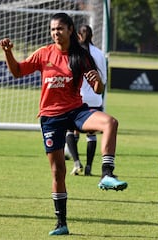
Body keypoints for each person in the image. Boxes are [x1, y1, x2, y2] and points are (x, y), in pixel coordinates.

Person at [0, 12, 127, 236]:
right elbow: (18, 71)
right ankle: (61, 223)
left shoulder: (80, 55)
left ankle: (107, 174)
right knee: (58, 172)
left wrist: (98, 84)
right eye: (52, 29)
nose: (55, 33)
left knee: (110, 122)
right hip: (51, 118)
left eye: (59, 28)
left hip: (76, 111)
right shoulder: (44, 53)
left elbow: (96, 86)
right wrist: (8, 52)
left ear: (70, 30)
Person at [67, 24, 107, 176]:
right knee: (91, 134)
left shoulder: (75, 52)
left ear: (78, 35)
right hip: (95, 99)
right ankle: (89, 166)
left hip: (78, 98)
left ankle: (77, 163)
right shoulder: (99, 53)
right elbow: (103, 78)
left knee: (71, 130)